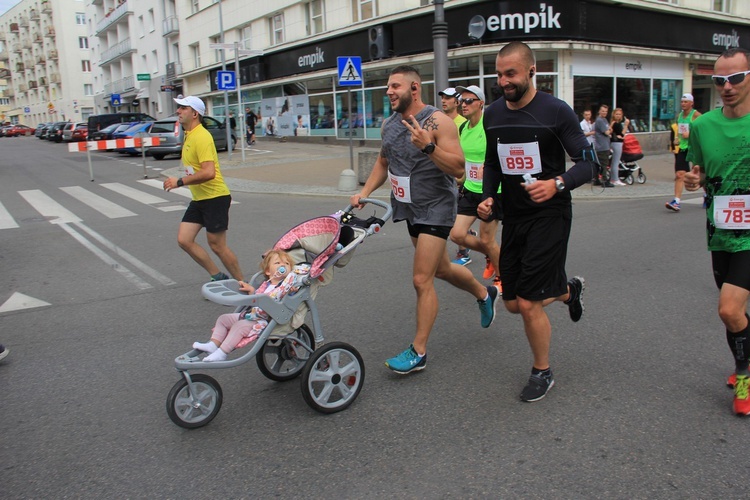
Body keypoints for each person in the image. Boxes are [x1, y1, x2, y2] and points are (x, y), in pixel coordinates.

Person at [350, 65, 498, 374]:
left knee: (421, 279)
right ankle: (485, 293)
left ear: (414, 89)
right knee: (442, 269)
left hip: (437, 207)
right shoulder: (390, 124)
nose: (389, 91)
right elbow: (383, 160)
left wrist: (428, 146)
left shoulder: (439, 121)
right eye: (388, 87)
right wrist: (363, 193)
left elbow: (458, 168)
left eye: (395, 86)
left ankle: (418, 351)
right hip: (410, 208)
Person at [477, 41, 590, 402]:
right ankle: (569, 290)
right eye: (498, 74)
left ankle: (543, 371)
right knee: (513, 302)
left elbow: (590, 163)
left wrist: (557, 183)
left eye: (510, 73)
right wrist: (488, 196)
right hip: (514, 216)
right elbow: (494, 162)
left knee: (527, 303)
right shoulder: (492, 114)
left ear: (531, 71)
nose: (503, 81)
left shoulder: (556, 111)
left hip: (550, 214)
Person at [683, 47, 750, 415]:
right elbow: (701, 173)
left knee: (728, 309)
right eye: (719, 80)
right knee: (732, 310)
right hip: (721, 229)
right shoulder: (702, 125)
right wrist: (695, 180)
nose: (727, 86)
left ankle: (744, 376)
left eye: (736, 78)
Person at [163, 95, 244, 283]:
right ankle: (218, 276)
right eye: (179, 107)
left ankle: (246, 286)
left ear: (195, 113)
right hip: (200, 199)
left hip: (215, 197)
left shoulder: (202, 136)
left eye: (183, 108)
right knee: (184, 239)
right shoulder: (189, 134)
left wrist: (180, 182)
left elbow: (209, 172)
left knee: (217, 246)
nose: (178, 111)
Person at [193, 250, 296, 362]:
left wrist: (291, 291)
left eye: (287, 264)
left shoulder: (286, 287)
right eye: (277, 263)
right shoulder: (267, 284)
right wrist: (252, 291)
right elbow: (258, 297)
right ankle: (213, 344)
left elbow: (289, 297)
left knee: (239, 326)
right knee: (223, 319)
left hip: (262, 320)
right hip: (250, 314)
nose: (283, 265)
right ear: (267, 271)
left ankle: (222, 353)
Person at [448, 85, 502, 289]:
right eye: (462, 101)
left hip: (491, 192)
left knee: (488, 239)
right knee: (457, 234)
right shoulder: (463, 128)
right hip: (470, 190)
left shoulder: (489, 125)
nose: (464, 104)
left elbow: (499, 154)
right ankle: (492, 254)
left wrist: (488, 168)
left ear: (481, 103)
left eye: (469, 100)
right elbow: (464, 159)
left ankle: (501, 276)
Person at [438, 87, 475, 266]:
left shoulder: (462, 123)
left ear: (457, 102)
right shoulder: (439, 121)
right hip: (443, 176)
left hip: (460, 177)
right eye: (443, 98)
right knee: (450, 214)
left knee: (455, 214)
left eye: (448, 98)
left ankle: (463, 253)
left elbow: (466, 152)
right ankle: (467, 235)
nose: (444, 101)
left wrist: (462, 176)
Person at [666, 93, 702, 212]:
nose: (683, 104)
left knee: (700, 174)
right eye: (682, 101)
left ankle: (708, 196)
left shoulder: (696, 115)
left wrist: (691, 135)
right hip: (683, 148)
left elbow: (705, 131)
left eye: (686, 102)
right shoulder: (680, 115)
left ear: (691, 103)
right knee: (679, 175)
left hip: (695, 148)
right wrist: (677, 138)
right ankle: (676, 201)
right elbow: (680, 130)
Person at [594, 104, 614, 188]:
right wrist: (609, 130)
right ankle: (605, 181)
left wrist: (609, 131)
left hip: (605, 145)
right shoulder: (600, 120)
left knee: (600, 164)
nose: (604, 113)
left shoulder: (604, 119)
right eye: (602, 111)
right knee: (604, 164)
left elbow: (609, 131)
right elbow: (607, 132)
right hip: (602, 146)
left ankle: (597, 179)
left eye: (606, 111)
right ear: (599, 111)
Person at [609, 107, 627, 186]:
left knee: (614, 162)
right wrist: (626, 125)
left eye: (619, 114)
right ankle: (615, 179)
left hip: (616, 142)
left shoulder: (614, 123)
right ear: (613, 115)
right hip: (617, 143)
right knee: (616, 162)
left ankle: (613, 178)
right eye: (616, 114)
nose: (618, 116)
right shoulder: (615, 123)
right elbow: (622, 134)